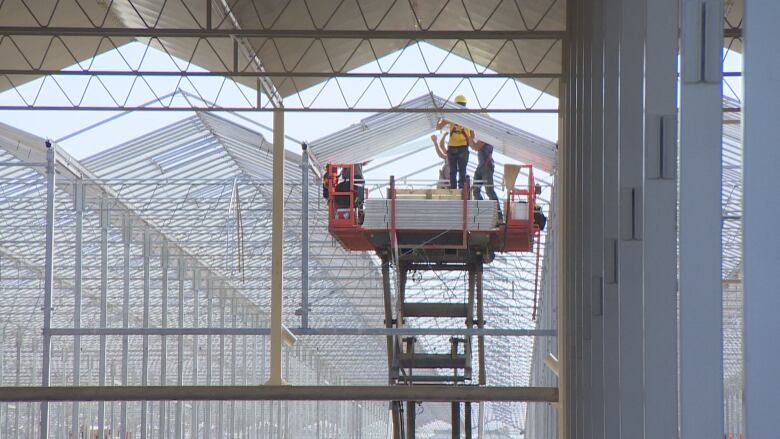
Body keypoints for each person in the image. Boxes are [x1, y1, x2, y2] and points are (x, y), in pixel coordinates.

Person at [435, 94, 472, 189]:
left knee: (453, 171)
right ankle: (461, 189)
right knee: (462, 171)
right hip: (463, 147)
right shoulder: (469, 117)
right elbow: (473, 135)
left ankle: (453, 189)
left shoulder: (451, 116)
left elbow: (438, 127)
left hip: (452, 147)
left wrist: (439, 116)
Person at [468, 132, 502, 221]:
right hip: (481, 167)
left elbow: (475, 147)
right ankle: (484, 213)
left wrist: (469, 137)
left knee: (489, 191)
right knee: (476, 191)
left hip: (487, 167)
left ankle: (499, 216)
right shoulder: (483, 137)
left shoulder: (486, 136)